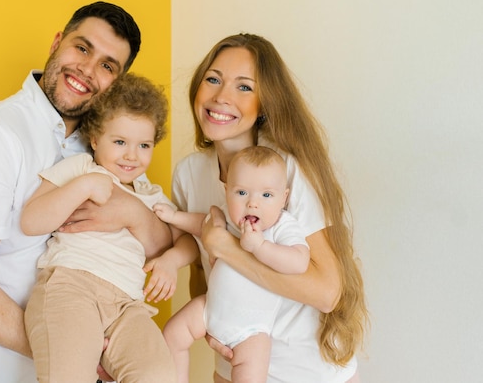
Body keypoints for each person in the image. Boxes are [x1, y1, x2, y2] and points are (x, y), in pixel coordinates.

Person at [0, 1, 172, 383]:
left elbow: (155, 251)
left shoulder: (104, 150)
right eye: (82, 48)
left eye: (107, 66)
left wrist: (135, 213)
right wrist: (71, 349)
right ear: (58, 43)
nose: (88, 70)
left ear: (117, 84)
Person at [169, 33, 368, 383]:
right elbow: (202, 276)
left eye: (244, 87)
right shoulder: (188, 173)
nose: (221, 96)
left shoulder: (290, 171)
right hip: (234, 367)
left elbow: (326, 292)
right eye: (213, 79)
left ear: (264, 104)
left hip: (305, 370)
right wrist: (213, 329)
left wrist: (227, 247)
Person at [22, 73, 193, 383]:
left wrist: (171, 261)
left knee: (159, 374)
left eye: (144, 144)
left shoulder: (151, 195)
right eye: (119, 142)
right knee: (68, 375)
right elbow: (31, 219)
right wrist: (85, 185)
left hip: (127, 304)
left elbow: (188, 243)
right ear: (95, 139)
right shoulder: (81, 169)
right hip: (71, 286)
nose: (132, 155)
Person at [155, 145, 310, 383]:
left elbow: (299, 261)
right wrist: (174, 217)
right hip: (210, 308)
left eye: (266, 195)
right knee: (172, 335)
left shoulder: (281, 226)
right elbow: (202, 225)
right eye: (241, 193)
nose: (252, 203)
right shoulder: (227, 214)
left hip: (251, 331)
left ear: (284, 198)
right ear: (227, 190)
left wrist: (260, 247)